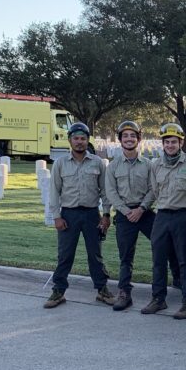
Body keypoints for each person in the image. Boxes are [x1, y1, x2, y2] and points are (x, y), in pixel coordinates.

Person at [44, 122, 115, 308]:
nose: (79, 142)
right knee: (65, 255)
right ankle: (58, 291)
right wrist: (56, 216)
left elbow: (105, 191)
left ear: (87, 140)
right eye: (76, 138)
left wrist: (106, 214)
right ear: (70, 140)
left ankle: (102, 289)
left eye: (83, 138)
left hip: (92, 214)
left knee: (95, 254)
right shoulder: (60, 164)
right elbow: (54, 192)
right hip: (69, 215)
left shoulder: (97, 162)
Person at [144, 122, 186, 319]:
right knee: (158, 260)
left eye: (173, 142)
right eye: (166, 141)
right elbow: (155, 189)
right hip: (162, 216)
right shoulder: (155, 165)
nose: (170, 145)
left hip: (183, 216)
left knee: (185, 260)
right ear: (163, 144)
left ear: (180, 142)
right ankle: (158, 298)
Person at [104, 120, 155, 312]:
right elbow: (111, 192)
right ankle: (124, 293)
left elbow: (153, 189)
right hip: (125, 215)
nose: (129, 139)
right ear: (120, 140)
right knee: (125, 256)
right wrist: (126, 212)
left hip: (146, 212)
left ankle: (169, 287)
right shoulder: (113, 166)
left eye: (132, 135)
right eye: (125, 136)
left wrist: (141, 209)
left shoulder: (149, 165)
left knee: (163, 246)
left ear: (139, 139)